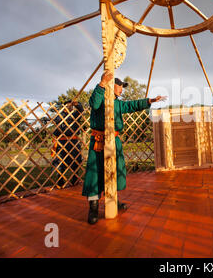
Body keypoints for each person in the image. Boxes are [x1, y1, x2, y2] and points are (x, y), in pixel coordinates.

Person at [82, 72, 166, 224]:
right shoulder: (100, 97)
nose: (121, 89)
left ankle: (113, 201)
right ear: (110, 85)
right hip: (99, 142)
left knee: (114, 170)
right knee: (95, 174)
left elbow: (131, 105)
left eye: (122, 86)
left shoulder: (118, 103)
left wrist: (150, 101)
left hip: (114, 141)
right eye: (119, 86)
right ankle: (93, 208)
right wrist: (101, 84)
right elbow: (93, 103)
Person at [51, 100, 84, 187]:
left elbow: (81, 110)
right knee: (60, 162)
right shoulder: (60, 115)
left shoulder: (75, 115)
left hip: (73, 141)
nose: (70, 107)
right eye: (68, 105)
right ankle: (60, 181)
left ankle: (75, 180)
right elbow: (56, 120)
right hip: (62, 141)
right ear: (64, 106)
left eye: (71, 105)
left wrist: (77, 104)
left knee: (75, 161)